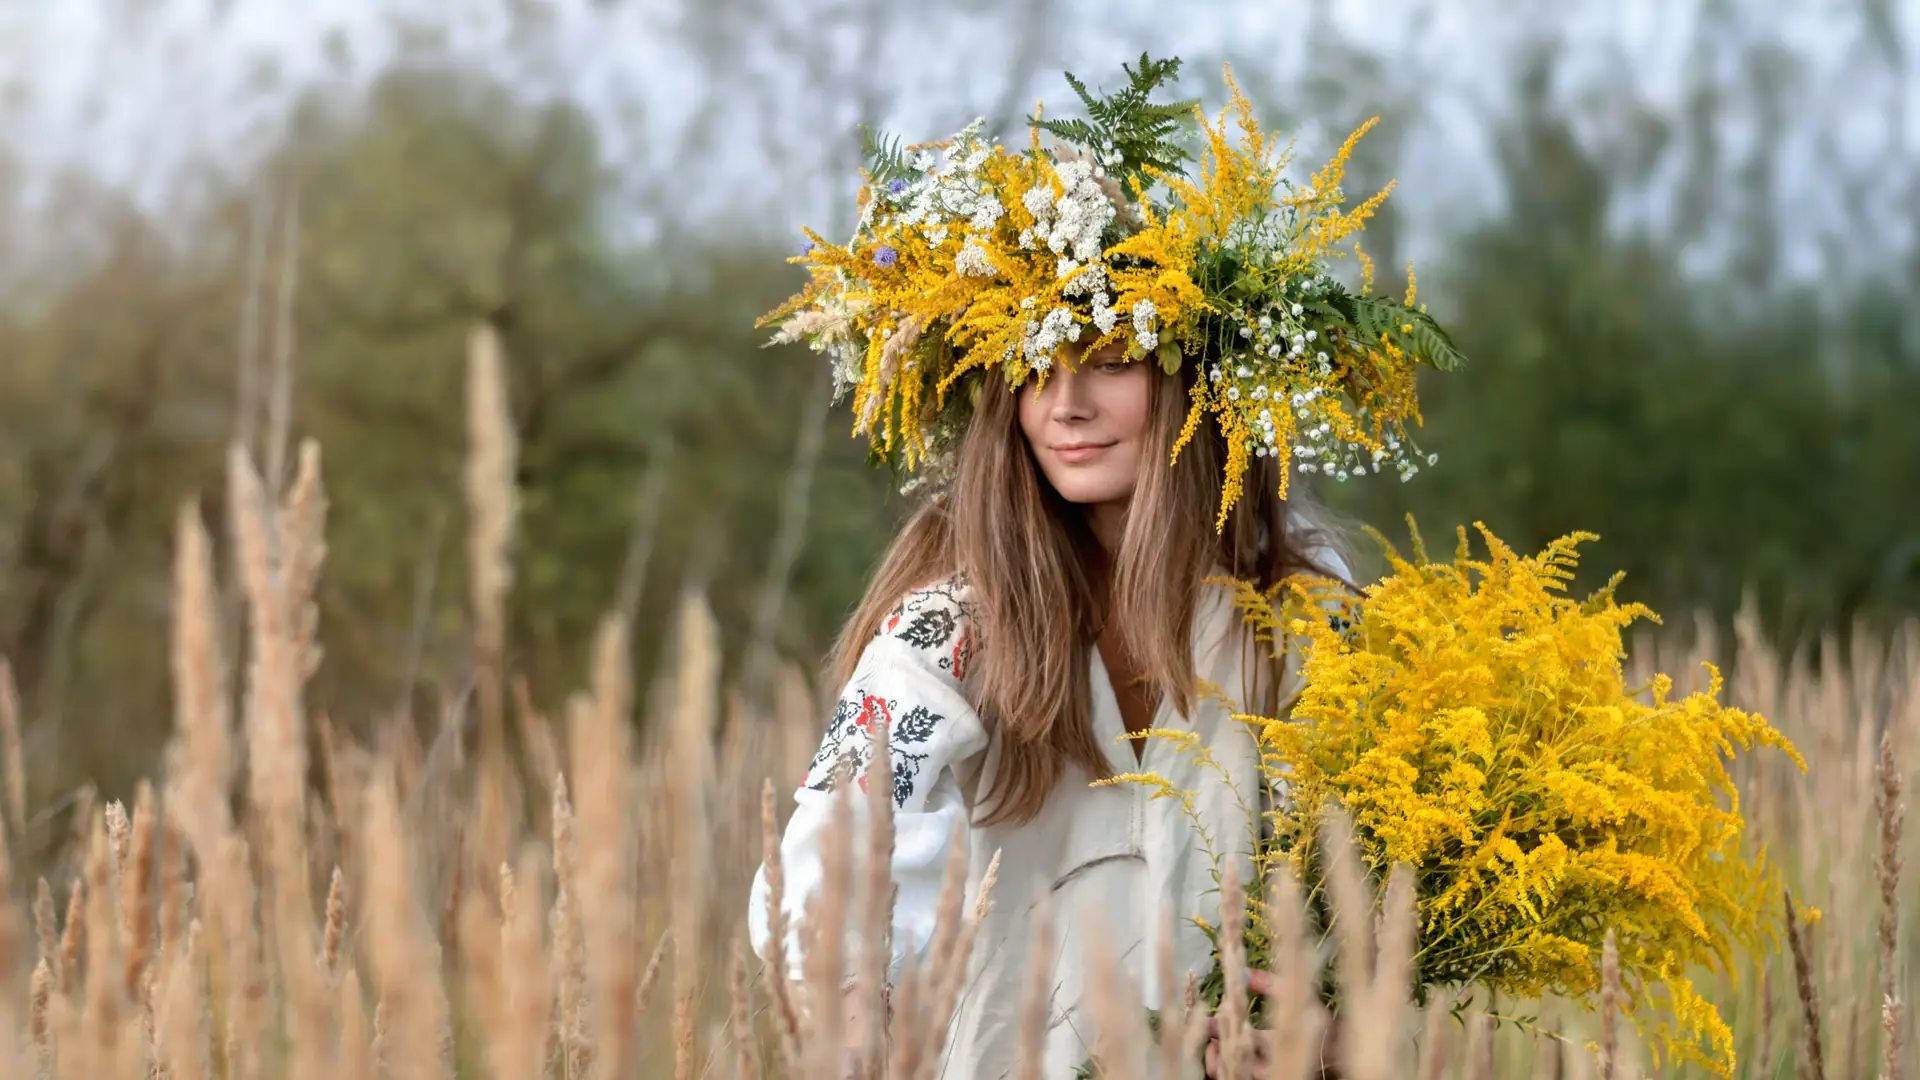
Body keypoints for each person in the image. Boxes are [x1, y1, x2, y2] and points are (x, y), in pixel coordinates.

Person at [747, 53, 1460, 1080]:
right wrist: (852, 1000)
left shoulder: (1311, 631)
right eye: (1035, 365)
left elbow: (1408, 907)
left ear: (1197, 389)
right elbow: (831, 838)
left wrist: (1340, 1033)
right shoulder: (954, 630)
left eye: (1113, 360)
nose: (1066, 403)